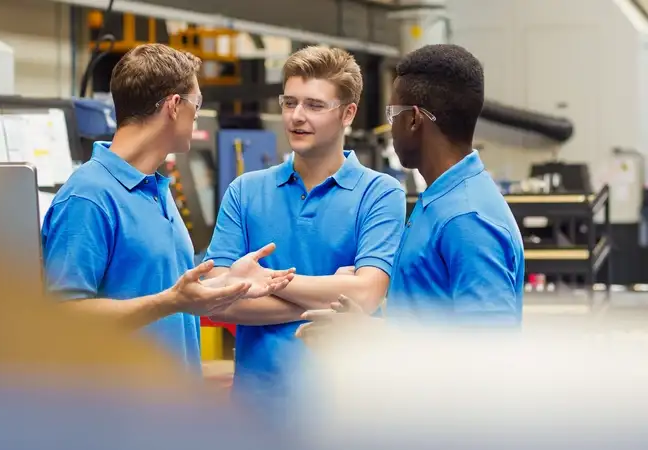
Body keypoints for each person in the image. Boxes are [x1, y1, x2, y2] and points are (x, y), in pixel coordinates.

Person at [41, 44, 294, 373]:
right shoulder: (88, 197)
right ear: (175, 105)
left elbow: (166, 292)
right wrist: (171, 301)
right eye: (197, 104)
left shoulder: (156, 189)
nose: (197, 116)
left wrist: (230, 283)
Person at [201, 46, 406, 412]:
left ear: (348, 113)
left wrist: (260, 282)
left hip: (348, 413)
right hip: (258, 412)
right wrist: (330, 294)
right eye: (289, 102)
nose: (296, 116)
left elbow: (366, 295)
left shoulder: (380, 193)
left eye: (314, 105)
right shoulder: (245, 191)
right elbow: (217, 303)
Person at [297, 44, 524, 339]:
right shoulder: (440, 199)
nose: (392, 128)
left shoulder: (467, 218)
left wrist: (371, 334)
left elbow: (488, 348)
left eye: (393, 115)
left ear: (414, 119)